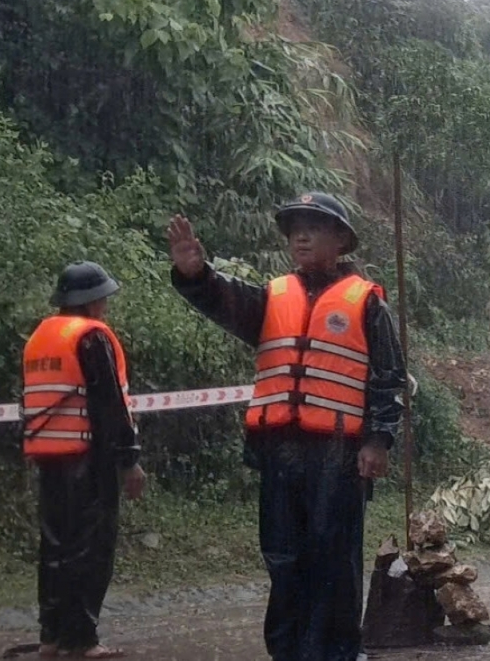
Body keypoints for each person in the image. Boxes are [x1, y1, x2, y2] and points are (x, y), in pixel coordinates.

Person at [166, 192, 406, 661]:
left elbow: (388, 378)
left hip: (338, 452)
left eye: (313, 227)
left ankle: (336, 652)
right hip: (280, 450)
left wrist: (378, 440)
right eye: (295, 228)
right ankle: (289, 652)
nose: (301, 236)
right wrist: (196, 274)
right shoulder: (272, 296)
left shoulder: (366, 302)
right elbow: (225, 299)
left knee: (333, 555)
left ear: (340, 240)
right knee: (283, 555)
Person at [22, 261, 147, 659]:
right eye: (103, 299)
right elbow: (110, 404)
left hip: (49, 458)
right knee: (90, 549)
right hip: (89, 459)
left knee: (55, 548)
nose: (105, 306)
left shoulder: (40, 338)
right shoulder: (91, 337)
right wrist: (129, 459)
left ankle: (52, 636)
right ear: (92, 301)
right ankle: (82, 639)